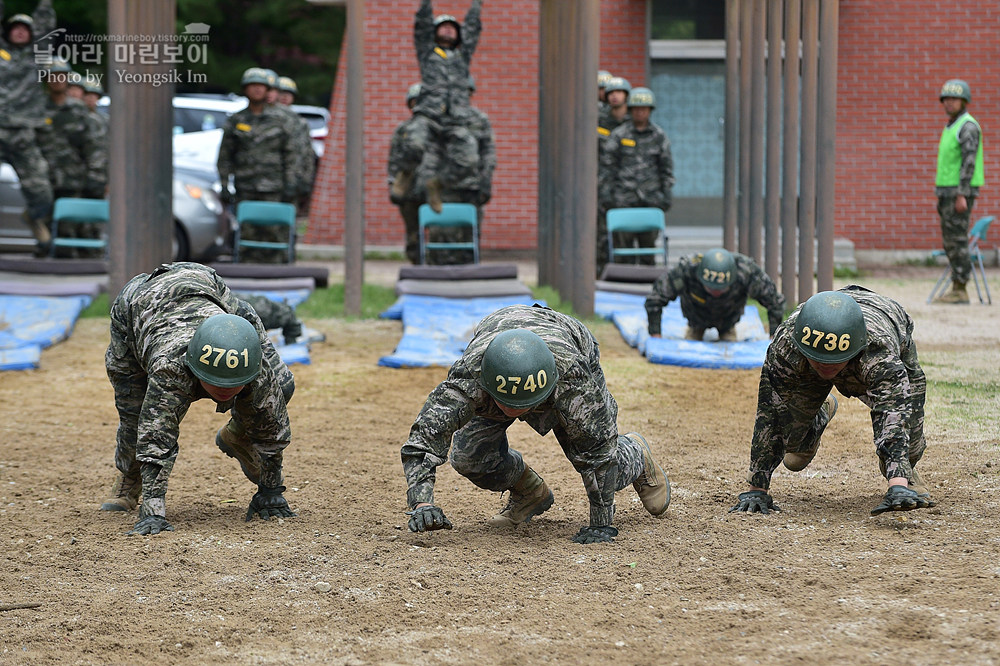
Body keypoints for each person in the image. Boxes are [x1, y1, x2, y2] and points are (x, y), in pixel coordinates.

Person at [400, 304, 671, 544]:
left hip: (567, 349)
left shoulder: (573, 379)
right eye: (511, 406)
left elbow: (598, 451)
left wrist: (601, 523)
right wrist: (422, 503)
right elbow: (424, 439)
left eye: (525, 405)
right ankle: (530, 492)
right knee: (469, 456)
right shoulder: (469, 378)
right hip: (499, 367)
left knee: (596, 458)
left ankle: (635, 453)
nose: (518, 412)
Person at [100, 262, 296, 536]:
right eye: (216, 383)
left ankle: (238, 435)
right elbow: (156, 435)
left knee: (282, 386)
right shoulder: (171, 368)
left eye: (234, 383)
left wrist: (271, 491)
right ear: (194, 371)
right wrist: (153, 511)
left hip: (207, 287)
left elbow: (272, 425)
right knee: (135, 414)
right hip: (137, 308)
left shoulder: (255, 366)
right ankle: (130, 477)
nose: (225, 391)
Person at [730, 286, 936, 517]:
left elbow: (893, 412)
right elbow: (770, 413)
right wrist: (757, 488)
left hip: (877, 337)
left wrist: (898, 483)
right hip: (808, 360)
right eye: (820, 361)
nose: (826, 367)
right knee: (793, 451)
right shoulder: (786, 345)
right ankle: (818, 416)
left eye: (833, 362)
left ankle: (907, 473)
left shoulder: (878, 350)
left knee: (911, 443)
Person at [391, 0, 483, 214]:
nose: (449, 30)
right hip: (429, 114)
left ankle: (437, 184)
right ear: (435, 32)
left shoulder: (462, 57)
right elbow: (421, 24)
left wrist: (477, 4)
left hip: (455, 118)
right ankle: (405, 174)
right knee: (414, 142)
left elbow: (472, 27)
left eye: (453, 28)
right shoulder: (427, 53)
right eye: (444, 26)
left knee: (469, 159)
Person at [217, 67, 299, 262]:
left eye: (261, 86)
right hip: (245, 187)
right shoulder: (236, 120)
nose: (256, 90)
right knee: (247, 234)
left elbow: (291, 155)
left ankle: (278, 275)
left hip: (275, 188)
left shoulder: (281, 120)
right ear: (245, 89)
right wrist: (224, 184)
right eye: (252, 86)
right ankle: (247, 276)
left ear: (268, 90)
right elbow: (225, 156)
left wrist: (291, 184)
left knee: (275, 233)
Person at [0, 1, 56, 255]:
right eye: (16, 28)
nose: (20, 32)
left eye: (26, 29)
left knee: (41, 191)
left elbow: (45, 27)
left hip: (22, 134)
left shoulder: (38, 56)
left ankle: (35, 219)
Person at [599, 86, 674, 266]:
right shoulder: (619, 135)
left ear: (650, 111)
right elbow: (608, 167)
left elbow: (666, 168)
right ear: (631, 110)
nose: (640, 112)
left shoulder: (659, 136)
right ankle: (623, 287)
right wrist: (608, 195)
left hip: (651, 199)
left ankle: (647, 286)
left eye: (644, 109)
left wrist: (666, 195)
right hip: (623, 200)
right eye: (636, 109)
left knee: (648, 251)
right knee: (623, 252)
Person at [644, 248, 786, 341]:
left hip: (728, 319)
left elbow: (775, 302)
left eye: (721, 289)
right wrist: (655, 336)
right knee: (691, 345)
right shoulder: (687, 269)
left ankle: (727, 331)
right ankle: (695, 330)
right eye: (711, 288)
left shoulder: (745, 271)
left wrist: (774, 338)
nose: (716, 293)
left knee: (729, 346)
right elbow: (655, 299)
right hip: (695, 318)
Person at [933, 79, 984, 304]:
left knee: (957, 240)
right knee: (950, 240)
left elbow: (969, 162)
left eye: (954, 99)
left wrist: (962, 193)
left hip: (958, 192)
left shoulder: (967, 126)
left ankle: (961, 288)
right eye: (947, 99)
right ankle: (957, 285)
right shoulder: (951, 126)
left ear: (964, 101)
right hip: (946, 192)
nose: (950, 103)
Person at [596, 76, 631, 275]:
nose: (615, 96)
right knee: (602, 235)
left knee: (626, 236)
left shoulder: (632, 123)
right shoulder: (598, 120)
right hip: (602, 184)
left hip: (626, 186)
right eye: (610, 93)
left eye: (619, 92)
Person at [388, 82, 428, 264]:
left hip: (433, 187)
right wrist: (392, 184)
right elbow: (394, 160)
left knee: (438, 230)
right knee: (413, 232)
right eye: (414, 101)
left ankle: (437, 266)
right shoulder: (403, 130)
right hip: (410, 188)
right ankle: (416, 265)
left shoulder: (438, 128)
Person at [274, 74, 316, 213]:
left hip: (293, 181)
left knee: (288, 221)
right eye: (281, 93)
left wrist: (306, 181)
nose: (285, 97)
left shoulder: (300, 123)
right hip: (271, 181)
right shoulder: (268, 119)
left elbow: (307, 154)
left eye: (289, 94)